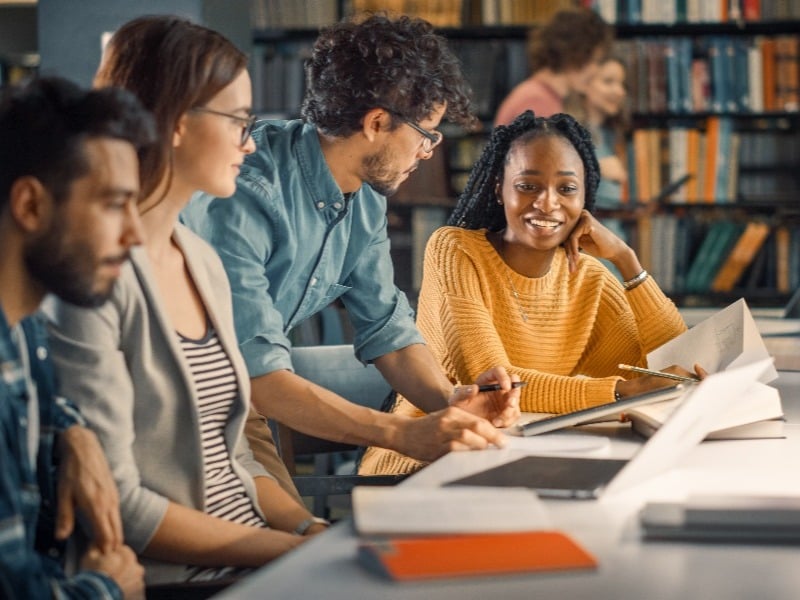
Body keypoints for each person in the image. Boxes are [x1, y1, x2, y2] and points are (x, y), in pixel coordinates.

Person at [44, 16, 326, 588]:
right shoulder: (93, 278)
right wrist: (284, 552)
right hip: (184, 578)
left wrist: (307, 530)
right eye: (240, 121)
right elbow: (120, 502)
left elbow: (235, 462)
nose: (251, 142)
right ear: (175, 122)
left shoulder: (201, 259)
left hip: (254, 559)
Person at [181, 13, 521, 468]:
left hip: (242, 400)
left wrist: (453, 402)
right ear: (377, 123)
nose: (428, 151)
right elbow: (258, 375)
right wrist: (402, 434)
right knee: (296, 537)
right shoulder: (247, 194)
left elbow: (388, 330)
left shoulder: (363, 200)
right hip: (184, 403)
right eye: (425, 134)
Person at [360, 110, 699, 476]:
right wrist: (619, 393)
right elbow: (494, 384)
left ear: (585, 198)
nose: (548, 203)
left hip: (521, 456)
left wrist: (627, 259)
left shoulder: (589, 278)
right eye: (527, 186)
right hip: (427, 461)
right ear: (499, 189)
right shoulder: (455, 251)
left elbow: (665, 370)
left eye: (567, 189)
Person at [0, 76, 151, 598]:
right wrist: (106, 588)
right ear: (31, 206)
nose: (134, 235)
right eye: (114, 205)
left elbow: (42, 394)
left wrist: (72, 430)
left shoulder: (25, 329)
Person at [494, 7, 612, 126]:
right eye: (594, 60)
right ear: (574, 53)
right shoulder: (537, 102)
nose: (596, 70)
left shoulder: (542, 97)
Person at [565, 54, 629, 209]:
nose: (620, 92)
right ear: (584, 85)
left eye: (622, 84)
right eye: (608, 81)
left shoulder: (611, 134)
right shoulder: (569, 133)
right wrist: (597, 167)